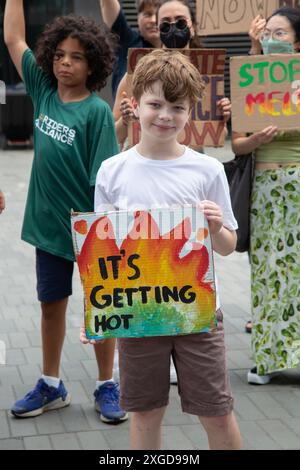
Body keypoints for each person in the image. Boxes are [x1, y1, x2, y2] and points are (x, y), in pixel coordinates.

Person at [91, 49, 242, 450]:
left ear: (190, 112)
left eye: (177, 107)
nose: (165, 115)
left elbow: (228, 245)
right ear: (135, 103)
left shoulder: (207, 169)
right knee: (144, 412)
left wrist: (214, 227)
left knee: (216, 410)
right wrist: (100, 312)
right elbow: (102, 254)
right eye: (155, 104)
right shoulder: (112, 170)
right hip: (139, 315)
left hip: (198, 311)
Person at [4, 0, 127, 423]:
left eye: (76, 57)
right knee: (50, 305)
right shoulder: (41, 90)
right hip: (47, 229)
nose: (65, 64)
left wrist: (105, 235)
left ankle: (106, 384)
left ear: (93, 64)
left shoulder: (95, 112)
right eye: (59, 56)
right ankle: (50, 383)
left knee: (102, 307)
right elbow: (13, 37)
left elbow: (105, 182)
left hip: (90, 230)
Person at [232, 6, 300, 385]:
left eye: (282, 33)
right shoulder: (252, 79)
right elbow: (238, 146)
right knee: (267, 270)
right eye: (268, 32)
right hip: (264, 188)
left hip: (297, 184)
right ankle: (267, 357)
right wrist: (255, 140)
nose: (274, 39)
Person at [114, 0, 231, 149]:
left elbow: (220, 137)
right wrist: (125, 120)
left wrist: (221, 119)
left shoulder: (207, 72)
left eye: (180, 22)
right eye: (165, 24)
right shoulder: (138, 71)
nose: (173, 27)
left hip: (188, 165)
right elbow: (114, 136)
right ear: (158, 29)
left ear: (193, 27)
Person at [99, 0, 161, 99]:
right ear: (138, 17)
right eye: (147, 14)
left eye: (158, 15)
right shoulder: (127, 40)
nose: (153, 20)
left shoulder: (178, 50)